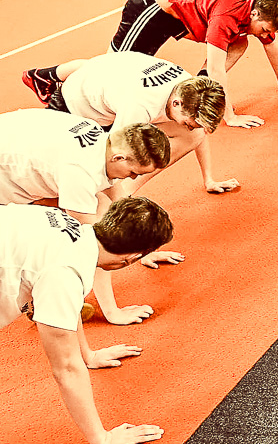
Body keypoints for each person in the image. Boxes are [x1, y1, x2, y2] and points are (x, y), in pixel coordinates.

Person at [1, 196, 174, 444]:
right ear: (132, 258)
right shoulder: (65, 273)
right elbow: (66, 369)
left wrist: (88, 355)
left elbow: (65, 311)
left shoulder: (64, 224)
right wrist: (102, 439)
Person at [0, 110, 171, 324]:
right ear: (118, 158)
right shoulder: (80, 171)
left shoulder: (107, 142)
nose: (133, 178)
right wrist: (113, 312)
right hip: (8, 170)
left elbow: (119, 206)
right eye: (133, 173)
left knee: (97, 208)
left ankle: (41, 296)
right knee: (65, 239)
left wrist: (141, 249)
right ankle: (43, 298)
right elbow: (94, 244)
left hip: (14, 151)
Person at [83, 0, 278, 128]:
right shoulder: (226, 15)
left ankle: (199, 86)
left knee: (239, 42)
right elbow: (217, 69)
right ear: (255, 13)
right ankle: (61, 82)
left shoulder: (258, 8)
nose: (266, 34)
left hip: (182, 14)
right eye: (265, 29)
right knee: (113, 67)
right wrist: (229, 116)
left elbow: (271, 43)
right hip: (152, 9)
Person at [21, 52, 235, 194]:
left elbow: (197, 134)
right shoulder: (140, 105)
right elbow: (108, 155)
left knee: (193, 136)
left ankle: (127, 192)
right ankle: (125, 197)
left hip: (103, 83)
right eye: (189, 122)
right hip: (74, 109)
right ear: (177, 103)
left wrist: (209, 179)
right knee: (61, 174)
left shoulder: (189, 87)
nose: (189, 126)